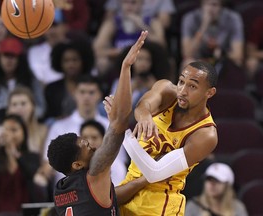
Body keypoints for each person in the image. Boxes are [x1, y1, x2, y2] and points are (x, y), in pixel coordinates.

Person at [46, 31, 148, 216]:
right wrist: (125, 68)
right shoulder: (95, 172)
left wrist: (142, 181)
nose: (92, 145)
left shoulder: (61, 190)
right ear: (77, 164)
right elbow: (121, 120)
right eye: (85, 145)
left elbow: (109, 196)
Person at [114, 61, 218, 215]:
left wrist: (122, 130)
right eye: (181, 81)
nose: (182, 91)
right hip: (128, 190)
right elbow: (143, 106)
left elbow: (154, 172)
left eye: (192, 86)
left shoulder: (206, 134)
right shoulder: (167, 91)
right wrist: (144, 116)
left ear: (209, 93)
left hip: (161, 206)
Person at [0, 114, 42, 216]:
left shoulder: (31, 157)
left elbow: (31, 174)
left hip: (24, 211)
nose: (9, 134)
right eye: (5, 130)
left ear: (23, 132)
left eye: (14, 130)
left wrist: (14, 151)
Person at [181, 0, 244, 67]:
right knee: (188, 62)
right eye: (207, 4)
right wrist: (203, 26)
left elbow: (238, 54)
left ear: (221, 6)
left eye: (214, 5)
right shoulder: (191, 18)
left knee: (237, 63)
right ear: (201, 5)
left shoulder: (232, 18)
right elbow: (187, 53)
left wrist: (223, 53)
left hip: (223, 60)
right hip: (199, 60)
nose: (210, 9)